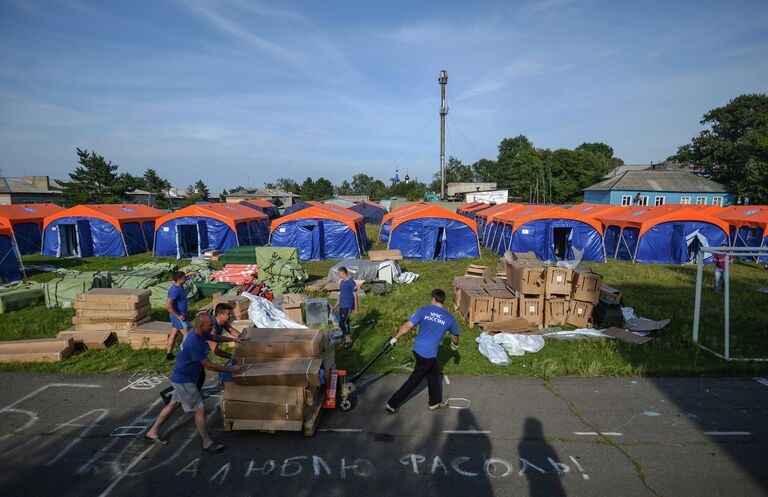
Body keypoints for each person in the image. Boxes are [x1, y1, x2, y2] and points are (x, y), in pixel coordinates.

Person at [145, 312, 246, 452]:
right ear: (201, 325)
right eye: (210, 324)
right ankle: (207, 442)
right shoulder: (194, 342)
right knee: (199, 408)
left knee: (173, 404)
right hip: (184, 381)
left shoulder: (199, 333)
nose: (212, 327)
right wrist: (232, 370)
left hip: (183, 378)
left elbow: (214, 337)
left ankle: (152, 432)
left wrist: (234, 340)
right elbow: (209, 365)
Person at [385, 289, 460, 413]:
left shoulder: (423, 310)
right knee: (414, 380)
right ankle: (392, 404)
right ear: (443, 301)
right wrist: (454, 345)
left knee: (434, 373)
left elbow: (408, 326)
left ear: (433, 299)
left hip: (417, 350)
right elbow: (456, 335)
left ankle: (434, 403)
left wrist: (395, 338)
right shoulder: (449, 318)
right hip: (428, 355)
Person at [331, 267, 358, 349]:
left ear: (343, 273)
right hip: (342, 305)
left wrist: (356, 309)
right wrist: (336, 305)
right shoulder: (342, 282)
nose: (338, 275)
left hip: (348, 305)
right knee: (345, 322)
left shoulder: (351, 282)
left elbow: (355, 296)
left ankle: (348, 340)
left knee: (342, 322)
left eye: (339, 273)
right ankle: (347, 339)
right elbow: (341, 295)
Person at [165, 271, 189, 361]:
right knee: (187, 335)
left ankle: (169, 354)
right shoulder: (175, 290)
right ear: (179, 279)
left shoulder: (180, 286)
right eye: (184, 277)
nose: (185, 278)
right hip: (179, 317)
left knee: (174, 333)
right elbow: (168, 305)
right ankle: (181, 355)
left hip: (178, 316)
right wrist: (178, 315)